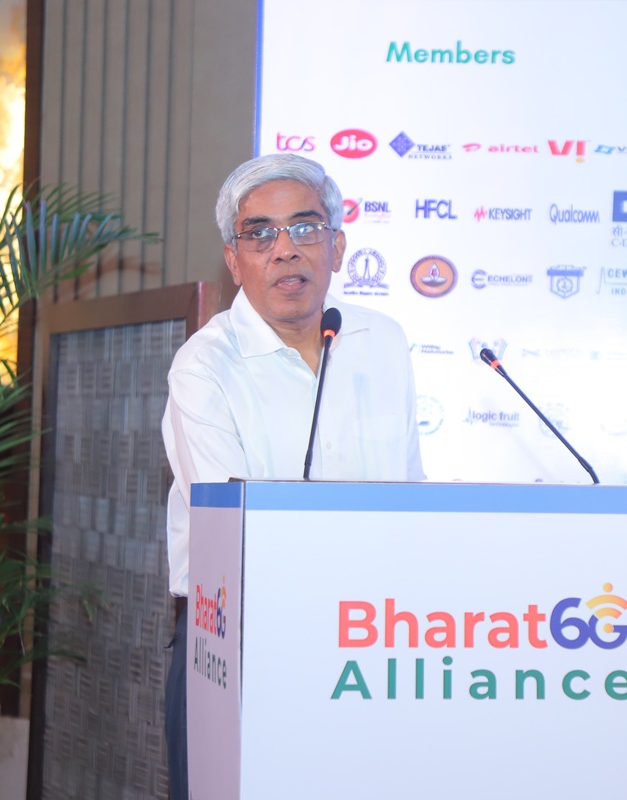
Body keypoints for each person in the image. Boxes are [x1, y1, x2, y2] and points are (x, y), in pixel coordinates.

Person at [160, 153, 425, 799]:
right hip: (239, 647)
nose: (285, 249)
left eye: (305, 228)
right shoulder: (205, 367)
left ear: (337, 247)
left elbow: (412, 495)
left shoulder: (382, 341)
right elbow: (232, 530)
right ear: (234, 260)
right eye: (260, 234)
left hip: (370, 643)